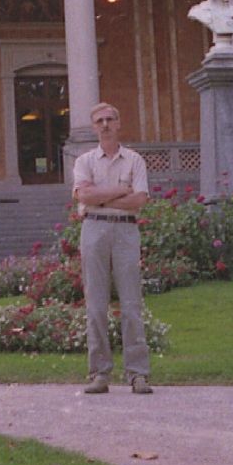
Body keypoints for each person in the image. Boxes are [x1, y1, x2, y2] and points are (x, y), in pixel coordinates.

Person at [72, 102, 153, 395]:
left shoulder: (134, 161)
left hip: (125, 231)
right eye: (99, 121)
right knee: (95, 303)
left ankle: (138, 373)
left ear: (118, 124)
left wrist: (99, 198)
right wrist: (121, 191)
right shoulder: (84, 161)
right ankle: (99, 373)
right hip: (93, 229)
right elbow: (83, 194)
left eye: (110, 119)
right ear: (94, 127)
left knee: (131, 303)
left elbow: (140, 200)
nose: (105, 125)